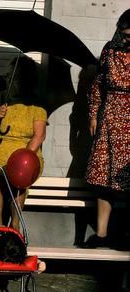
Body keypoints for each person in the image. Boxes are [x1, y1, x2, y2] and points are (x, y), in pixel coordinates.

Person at [0, 55, 47, 231]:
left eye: (12, 77)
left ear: (25, 79)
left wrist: (23, 157)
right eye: (7, 76)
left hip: (24, 154)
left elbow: (39, 136)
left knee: (19, 178)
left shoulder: (37, 104)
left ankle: (14, 225)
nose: (8, 80)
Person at [82, 9, 130, 249]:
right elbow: (98, 85)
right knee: (103, 179)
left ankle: (126, 235)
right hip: (110, 117)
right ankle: (101, 234)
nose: (127, 39)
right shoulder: (109, 51)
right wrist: (93, 116)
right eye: (125, 34)